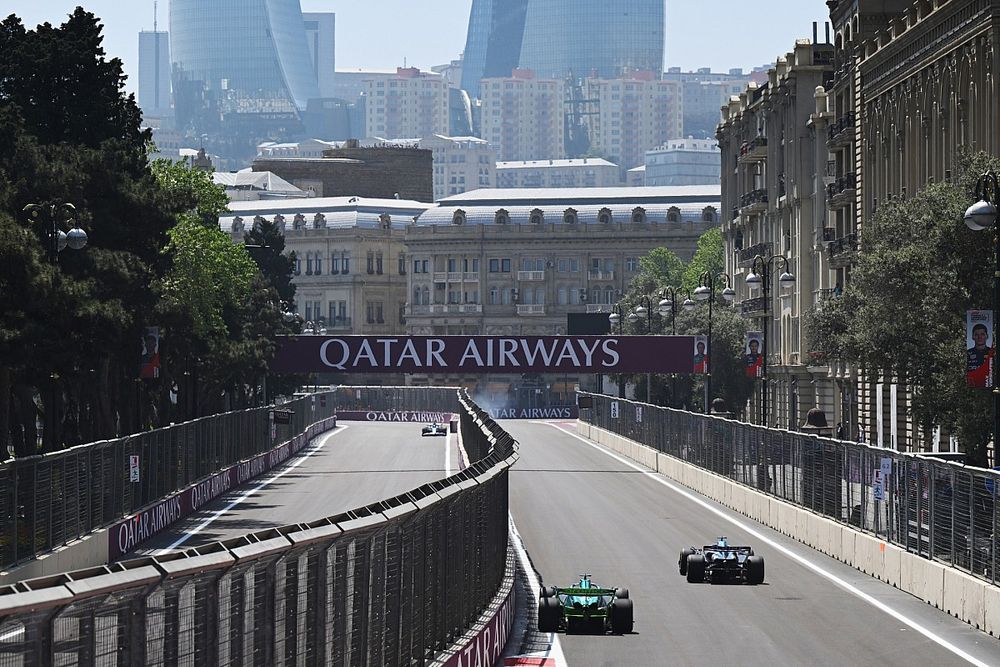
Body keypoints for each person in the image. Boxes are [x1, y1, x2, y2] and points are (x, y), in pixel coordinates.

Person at [967, 322, 994, 388]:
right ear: (973, 337)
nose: (979, 337)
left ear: (987, 336)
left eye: (982, 334)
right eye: (976, 334)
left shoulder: (992, 352)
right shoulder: (967, 353)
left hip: (989, 386)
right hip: (972, 387)